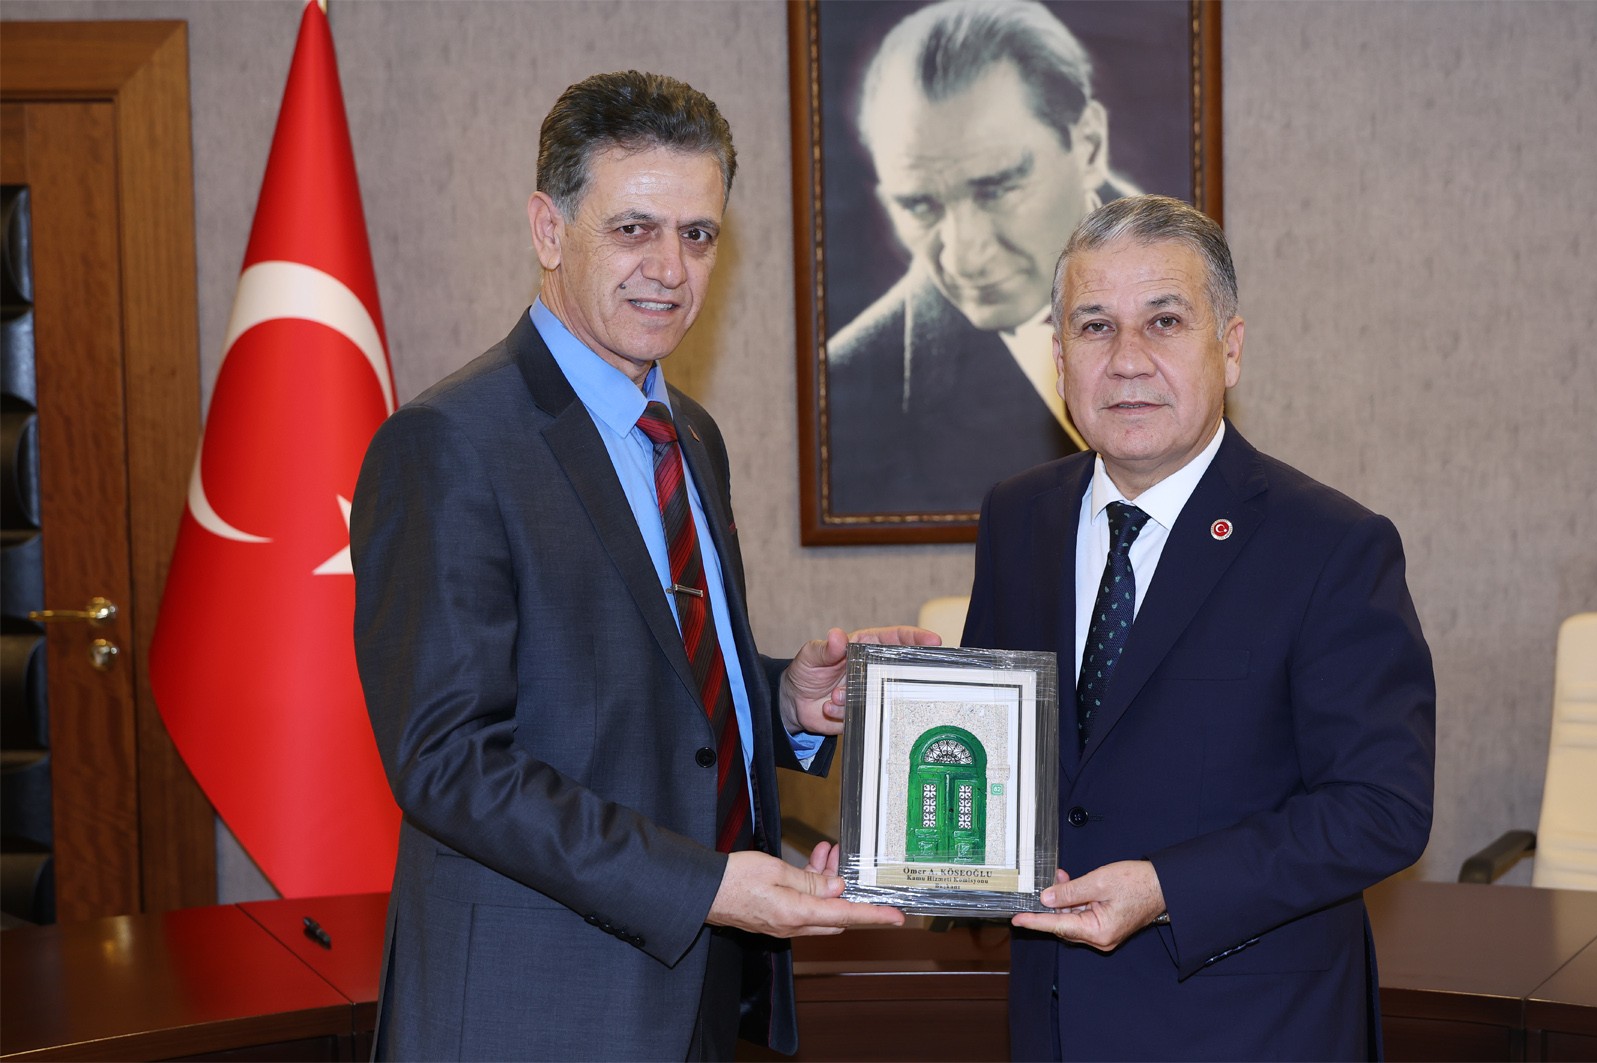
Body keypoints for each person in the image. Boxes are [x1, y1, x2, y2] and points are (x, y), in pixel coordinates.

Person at [352, 71, 923, 1060]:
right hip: (535, 1012)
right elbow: (447, 761)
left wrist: (783, 701)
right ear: (548, 230)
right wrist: (703, 884)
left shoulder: (689, 433)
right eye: (633, 229)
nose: (669, 268)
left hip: (701, 995)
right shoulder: (449, 443)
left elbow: (653, 691)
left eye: (697, 235)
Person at [962, 195, 1436, 1060]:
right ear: (1060, 358)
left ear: (1231, 347)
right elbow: (996, 759)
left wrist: (1166, 887)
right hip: (1055, 1021)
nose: (1127, 359)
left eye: (1165, 321)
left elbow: (1382, 808)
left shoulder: (1330, 544)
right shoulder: (1017, 516)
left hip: (1249, 1027)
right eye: (1095, 326)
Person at [826, 0, 1142, 516]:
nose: (964, 256)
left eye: (996, 188)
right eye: (919, 205)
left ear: (1088, 145)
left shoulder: (1197, 310)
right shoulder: (852, 381)